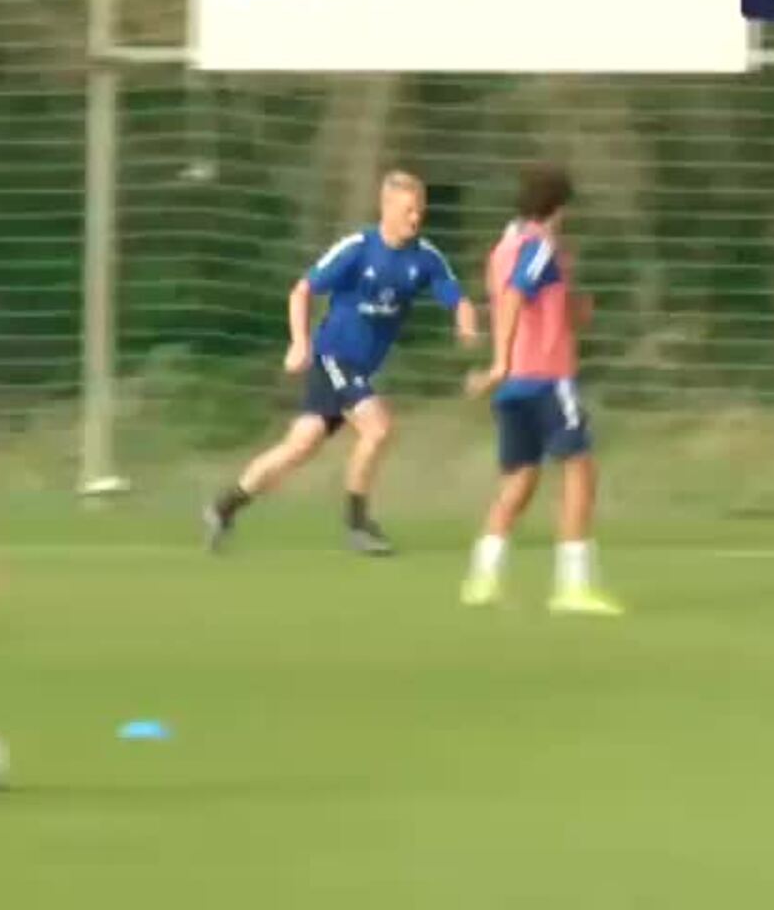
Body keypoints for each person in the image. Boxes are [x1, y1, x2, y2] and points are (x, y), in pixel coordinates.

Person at [205, 171, 478, 556]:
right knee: (378, 428)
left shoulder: (426, 257)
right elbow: (302, 290)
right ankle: (358, 524)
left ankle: (224, 506)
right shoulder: (357, 248)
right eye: (408, 210)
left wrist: (466, 323)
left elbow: (458, 298)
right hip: (334, 356)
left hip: (358, 368)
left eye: (420, 210)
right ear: (386, 208)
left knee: (299, 446)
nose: (416, 218)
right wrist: (300, 342)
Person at [462, 164, 622, 616]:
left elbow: (528, 303)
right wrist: (499, 363)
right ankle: (573, 586)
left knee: (521, 479)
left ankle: (483, 577)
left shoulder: (504, 247)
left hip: (515, 385)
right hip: (546, 376)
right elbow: (517, 295)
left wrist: (572, 311)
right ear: (560, 207)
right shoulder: (540, 246)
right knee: (581, 470)